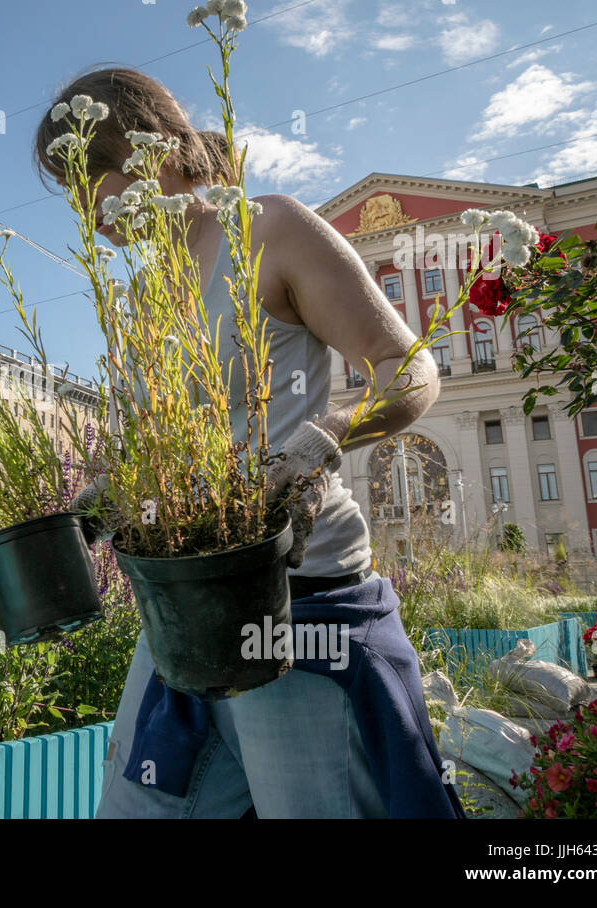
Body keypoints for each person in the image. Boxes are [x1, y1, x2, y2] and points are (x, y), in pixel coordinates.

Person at [32, 65, 464, 819]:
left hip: (291, 604)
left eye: (85, 176)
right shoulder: (140, 300)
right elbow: (146, 445)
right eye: (69, 191)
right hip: (181, 610)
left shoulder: (270, 229)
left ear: (152, 148)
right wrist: (99, 499)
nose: (87, 213)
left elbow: (410, 368)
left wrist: (326, 436)